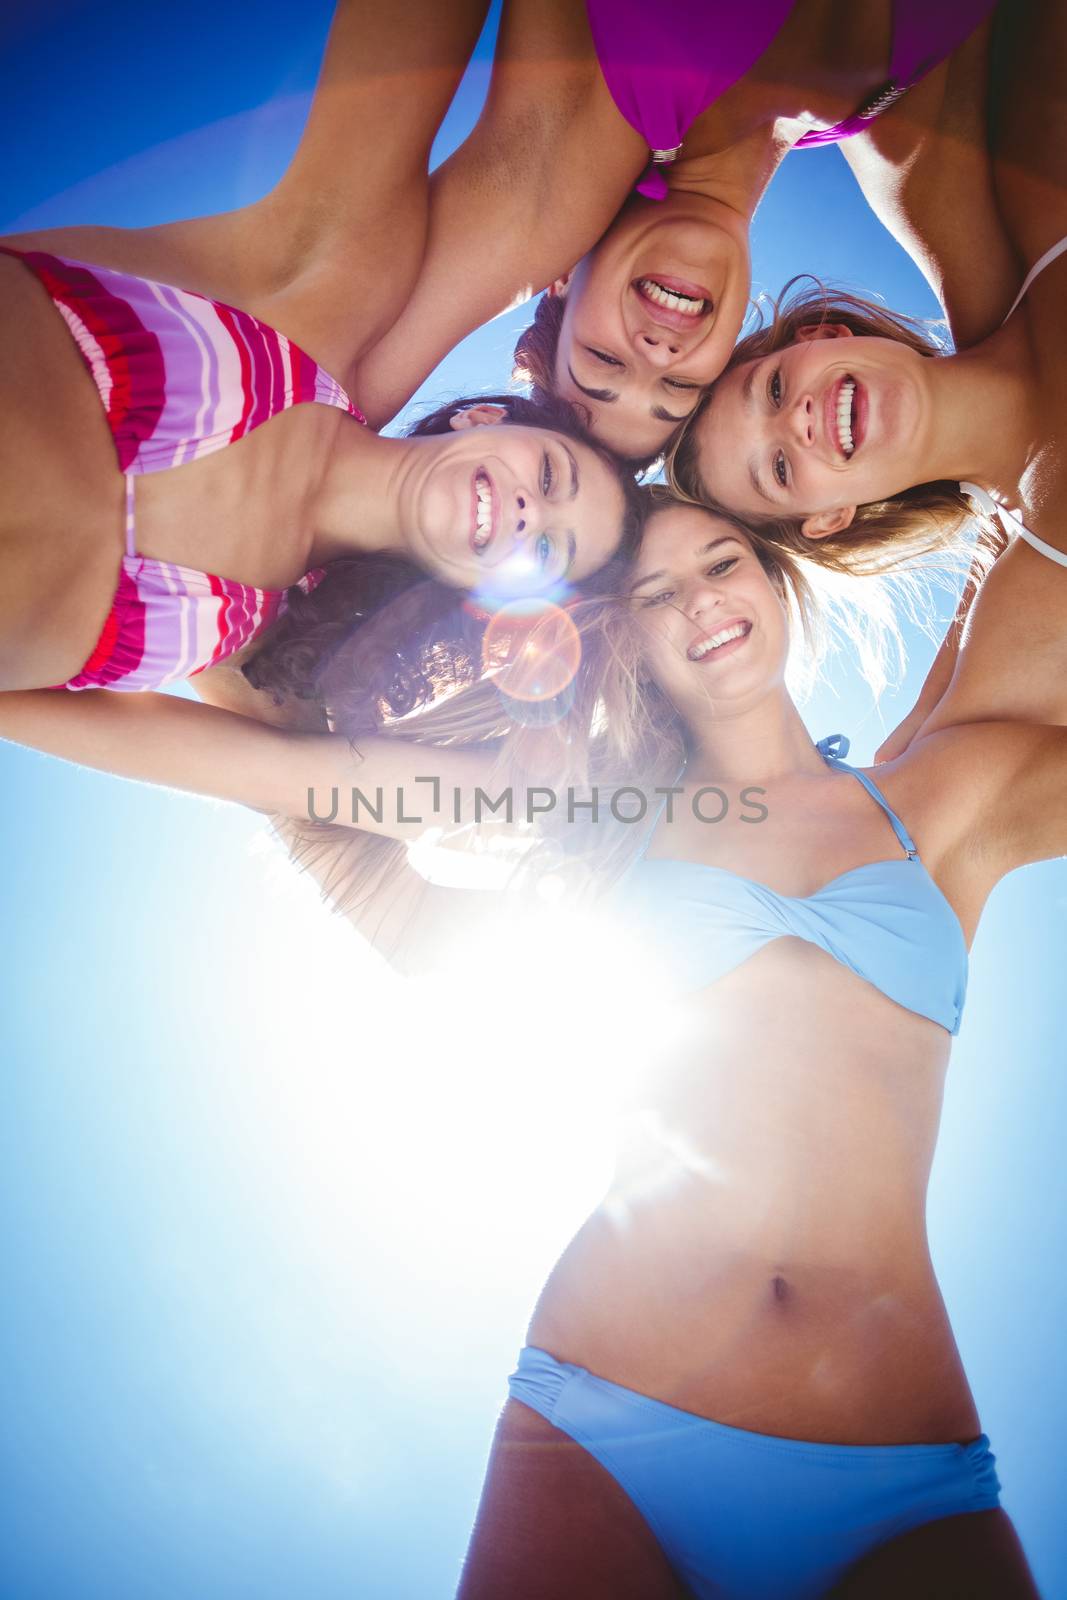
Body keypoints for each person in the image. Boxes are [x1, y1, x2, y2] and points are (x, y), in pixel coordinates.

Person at [3, 495, 1059, 1593]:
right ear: (632, 638)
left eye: (722, 562)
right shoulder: (591, 819)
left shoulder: (939, 800)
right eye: (654, 593)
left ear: (777, 576)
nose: (700, 601)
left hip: (898, 1468)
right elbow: (261, 768)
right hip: (606, 1427)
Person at [0, 2, 636, 696]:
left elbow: (335, 797)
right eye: (549, 475)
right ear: (484, 415)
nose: (530, 514)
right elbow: (550, 158)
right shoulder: (323, 291)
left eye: (547, 550)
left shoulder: (270, 660)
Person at [355, 0, 1012, 462]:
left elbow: (335, 395)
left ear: (558, 276)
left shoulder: (596, 110)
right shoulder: (899, 129)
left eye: (602, 361)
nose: (658, 356)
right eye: (678, 388)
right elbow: (1027, 381)